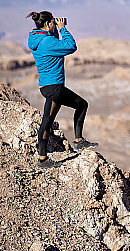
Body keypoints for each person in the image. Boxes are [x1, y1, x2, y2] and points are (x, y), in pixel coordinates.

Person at [27, 11, 98, 168]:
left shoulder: (38, 40)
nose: (55, 24)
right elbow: (71, 46)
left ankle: (50, 154)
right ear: (48, 24)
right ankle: (45, 158)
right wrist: (63, 28)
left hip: (47, 86)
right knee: (49, 121)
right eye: (53, 22)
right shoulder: (47, 42)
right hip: (54, 88)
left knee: (53, 118)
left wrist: (56, 30)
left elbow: (57, 45)